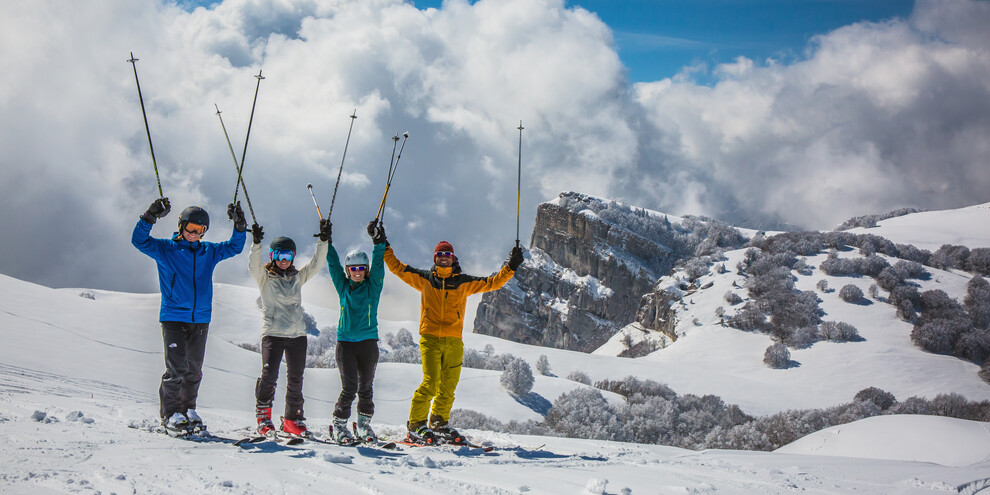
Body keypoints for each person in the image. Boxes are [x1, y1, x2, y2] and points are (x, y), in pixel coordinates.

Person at [384, 231, 524, 444]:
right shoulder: (425, 279)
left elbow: (493, 283)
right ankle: (415, 425)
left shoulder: (463, 282)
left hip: (454, 341)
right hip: (430, 338)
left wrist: (511, 266)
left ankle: (439, 423)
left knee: (449, 385)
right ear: (435, 258)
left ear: (453, 257)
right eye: (440, 254)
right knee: (431, 382)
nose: (444, 257)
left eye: (447, 254)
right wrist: (383, 244)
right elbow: (397, 267)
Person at [131, 197, 247, 436]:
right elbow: (139, 240)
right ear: (181, 226)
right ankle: (171, 414)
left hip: (201, 318)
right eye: (191, 228)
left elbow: (234, 247)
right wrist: (149, 216)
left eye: (200, 230)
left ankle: (187, 409)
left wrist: (239, 226)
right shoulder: (166, 249)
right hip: (174, 317)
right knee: (176, 369)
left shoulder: (209, 251)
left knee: (194, 369)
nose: (194, 234)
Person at [249, 219, 330, 438]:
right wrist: (256, 243)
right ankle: (263, 418)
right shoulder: (265, 278)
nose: (284, 260)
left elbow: (315, 265)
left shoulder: (297, 278)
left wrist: (323, 241)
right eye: (279, 255)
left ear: (293, 256)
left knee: (296, 379)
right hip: (273, 334)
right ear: (272, 256)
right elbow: (253, 266)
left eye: (288, 255)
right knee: (269, 376)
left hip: (297, 336)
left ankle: (292, 419)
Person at [325, 221, 387, 444]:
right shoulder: (343, 287)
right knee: (349, 388)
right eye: (353, 269)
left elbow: (379, 264)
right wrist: (327, 242)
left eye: (361, 268)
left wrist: (379, 242)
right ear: (348, 271)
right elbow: (333, 265)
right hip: (346, 345)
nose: (358, 272)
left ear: (366, 270)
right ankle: (339, 426)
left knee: (366, 387)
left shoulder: (373, 287)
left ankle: (363, 426)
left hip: (368, 343)